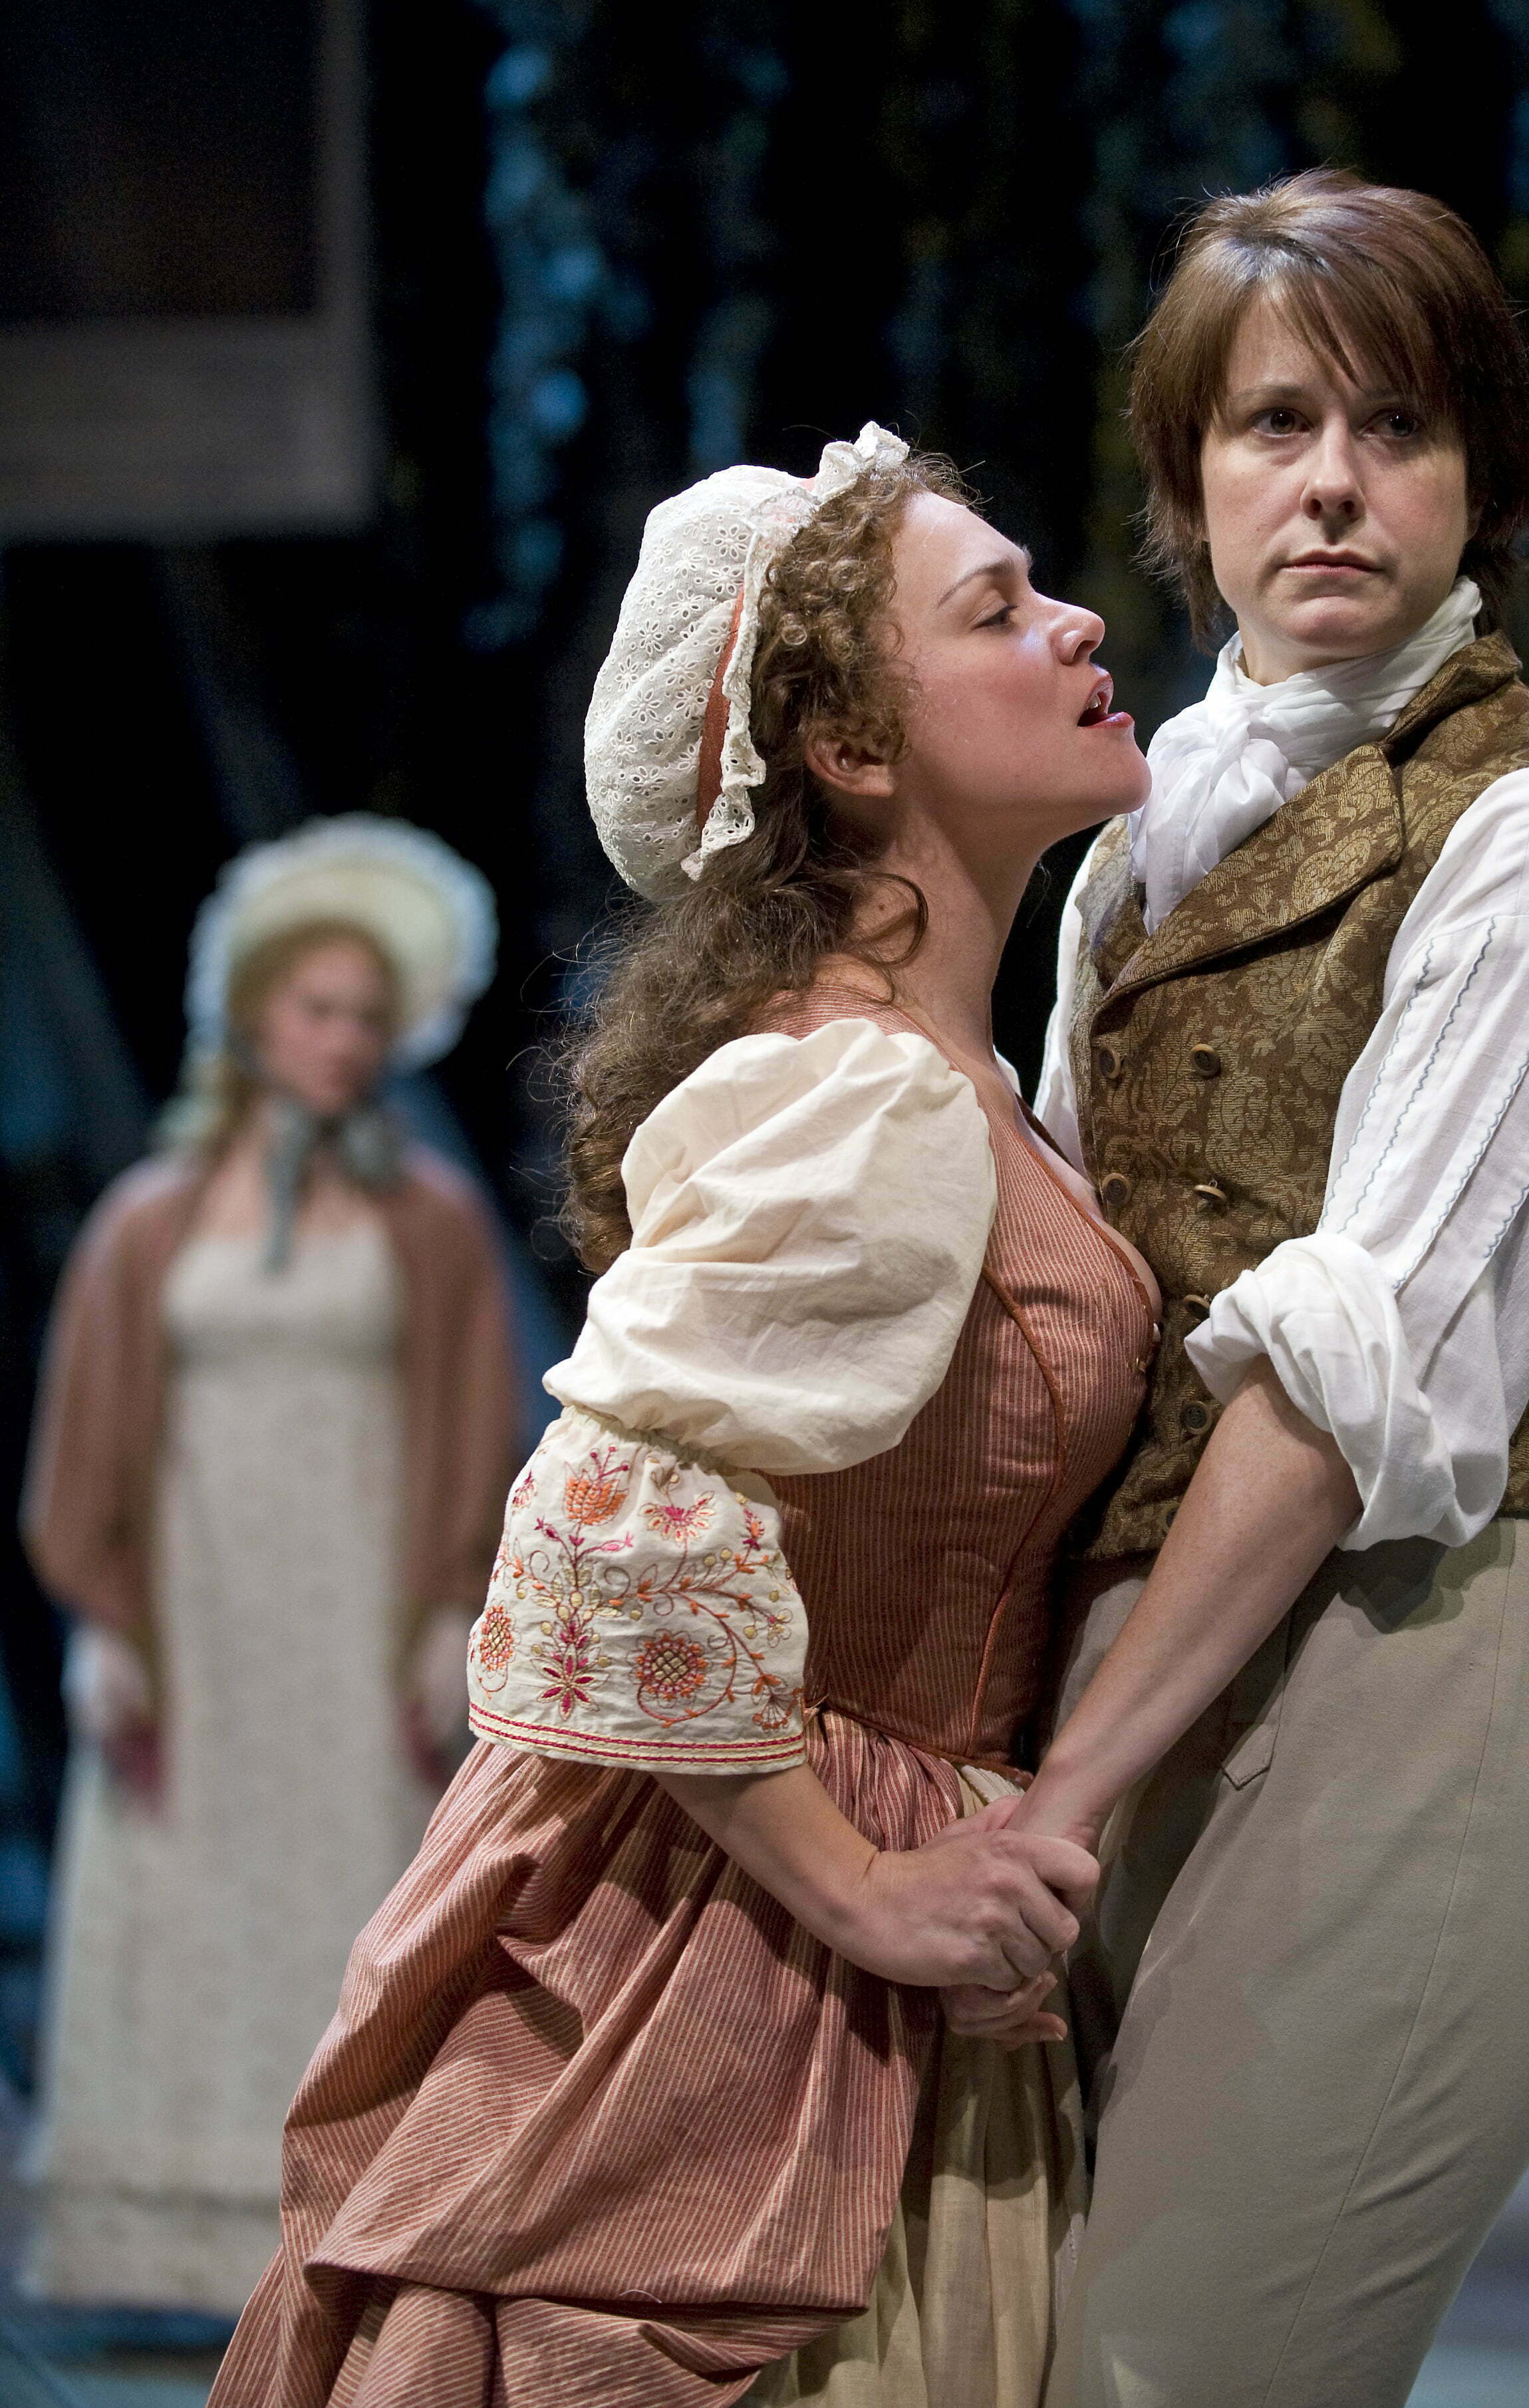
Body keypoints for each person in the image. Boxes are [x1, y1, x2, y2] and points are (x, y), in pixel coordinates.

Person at [205, 424, 1162, 2408]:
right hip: (747, 1936)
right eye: (995, 608)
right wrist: (860, 1879)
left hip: (852, 1888)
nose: (1078, 621)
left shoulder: (951, 1083)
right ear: (851, 747)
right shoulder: (865, 1092)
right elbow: (607, 1516)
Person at [950, 172, 1529, 2406]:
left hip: (1408, 1669)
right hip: (1122, 1684)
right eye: (1271, 424)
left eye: (1395, 427)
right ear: (1186, 480)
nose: (1328, 482)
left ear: (1481, 475)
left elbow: (1335, 1385)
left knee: (1175, 2374)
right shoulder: (1125, 854)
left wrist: (1053, 1798)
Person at [22, 816, 519, 2314]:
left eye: (369, 1016)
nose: (343, 1041)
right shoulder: (150, 1220)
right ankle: (176, 2232)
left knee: (354, 1894)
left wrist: (445, 1611)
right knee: (186, 1897)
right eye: (317, 1009)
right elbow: (87, 1437)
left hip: (355, 1616)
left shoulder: (427, 1220)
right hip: (201, 1618)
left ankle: (348, 2232)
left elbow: (474, 1420)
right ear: (253, 1012)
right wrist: (104, 1623)